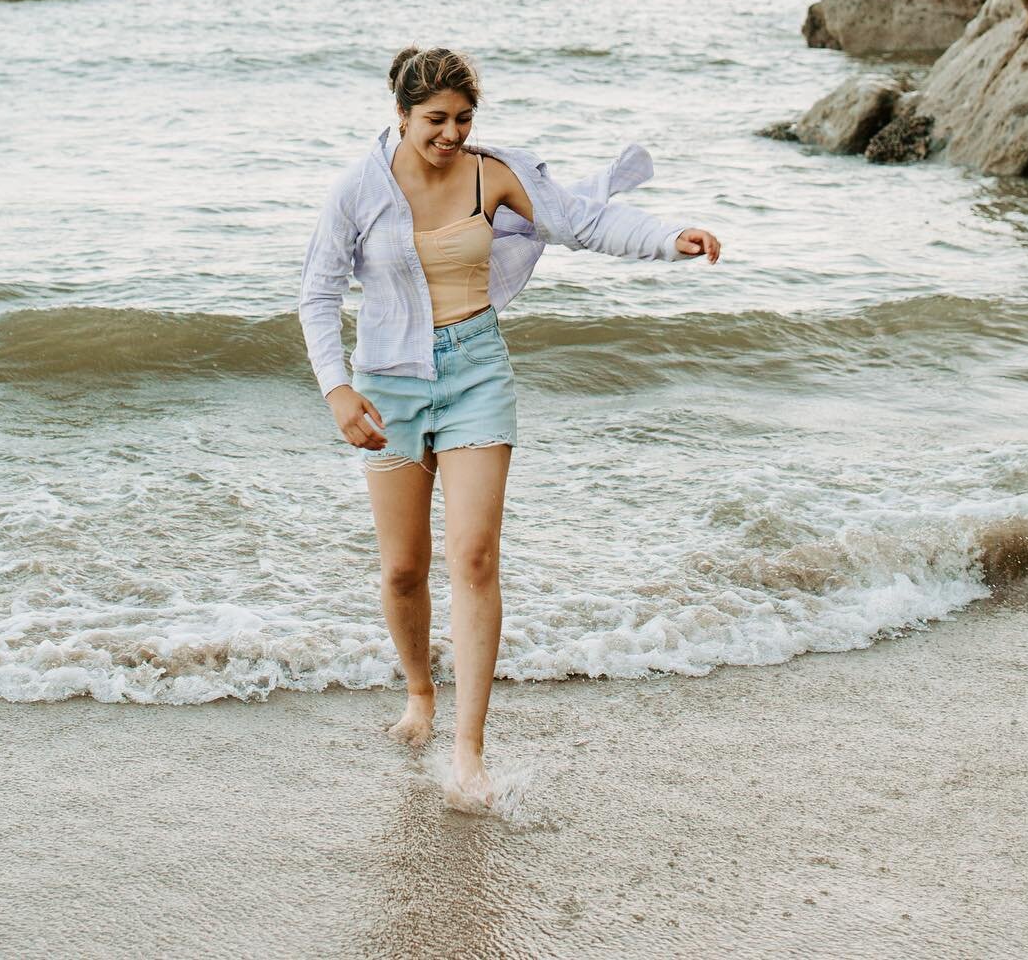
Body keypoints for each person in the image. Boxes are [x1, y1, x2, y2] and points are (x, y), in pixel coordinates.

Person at [297, 45, 721, 803]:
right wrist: (336, 391)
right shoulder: (357, 191)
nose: (451, 134)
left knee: (477, 557)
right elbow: (318, 294)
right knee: (403, 569)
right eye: (435, 120)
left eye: (463, 118)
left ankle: (469, 749)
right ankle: (420, 693)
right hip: (388, 384)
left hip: (477, 371)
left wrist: (666, 238)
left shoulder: (494, 173)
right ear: (399, 116)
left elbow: (582, 220)